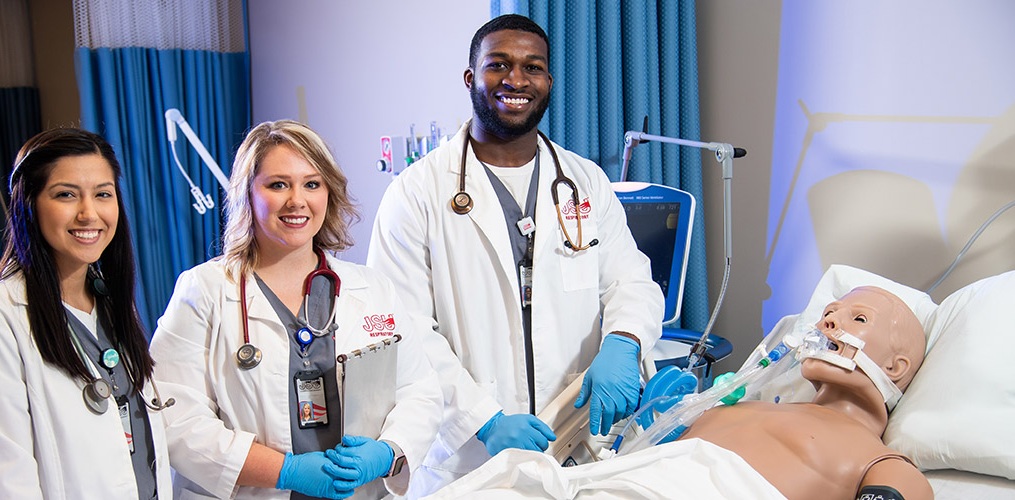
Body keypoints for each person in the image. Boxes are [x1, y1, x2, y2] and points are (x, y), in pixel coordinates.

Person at [366, 13, 665, 494]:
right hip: (469, 458)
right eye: (498, 64)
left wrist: (624, 341)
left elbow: (629, 281)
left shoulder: (584, 181)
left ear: (548, 80)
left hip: (578, 436)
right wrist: (481, 419)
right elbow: (402, 328)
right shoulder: (416, 192)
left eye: (533, 67)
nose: (516, 80)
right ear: (470, 77)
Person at [149, 120, 443, 499]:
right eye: (278, 184)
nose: (297, 201)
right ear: (248, 194)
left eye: (311, 184)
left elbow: (420, 391)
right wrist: (283, 471)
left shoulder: (372, 289)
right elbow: (176, 417)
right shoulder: (204, 290)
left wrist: (388, 452)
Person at [0, 128, 171, 498]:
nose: (89, 213)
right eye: (66, 194)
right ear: (28, 203)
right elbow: (4, 482)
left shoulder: (110, 305)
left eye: (103, 194)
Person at [677, 286, 934, 500]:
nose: (826, 322)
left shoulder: (881, 462)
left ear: (894, 367)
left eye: (859, 319)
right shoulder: (742, 407)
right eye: (828, 313)